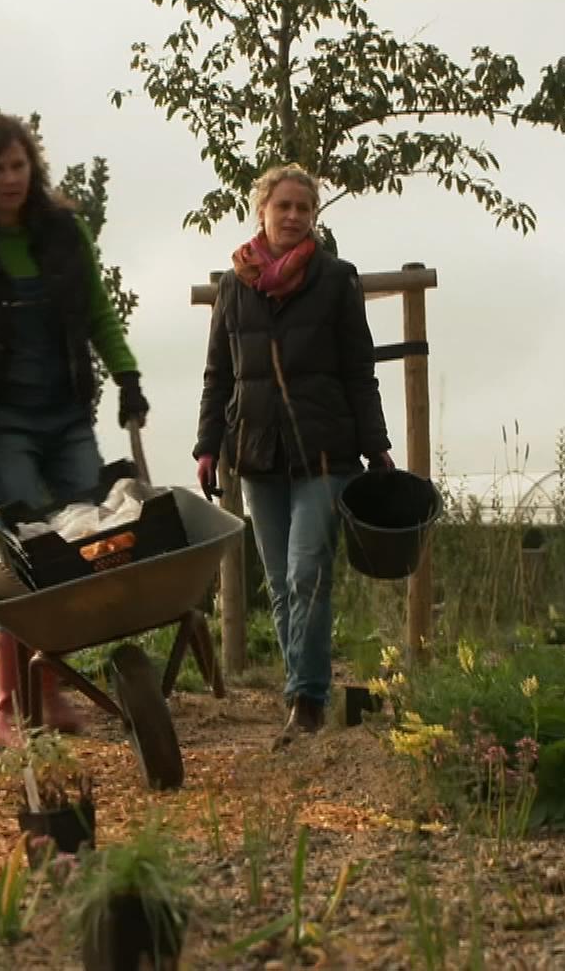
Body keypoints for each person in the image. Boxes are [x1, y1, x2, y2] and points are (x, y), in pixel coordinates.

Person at [0, 112, 149, 750]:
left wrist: (126, 375)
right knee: (20, 559)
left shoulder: (62, 234)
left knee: (86, 546)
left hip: (66, 414)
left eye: (18, 166)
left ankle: (50, 690)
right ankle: (11, 712)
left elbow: (97, 309)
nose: (10, 179)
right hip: (0, 424)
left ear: (32, 169)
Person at [193, 163, 392, 741]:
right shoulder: (234, 286)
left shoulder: (336, 279)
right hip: (257, 453)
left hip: (325, 453)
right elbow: (218, 375)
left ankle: (305, 700)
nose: (294, 216)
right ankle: (301, 691)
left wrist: (375, 444)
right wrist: (209, 446)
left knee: (309, 573)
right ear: (262, 211)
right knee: (279, 582)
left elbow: (360, 369)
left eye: (304, 208)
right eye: (284, 206)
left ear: (314, 218)